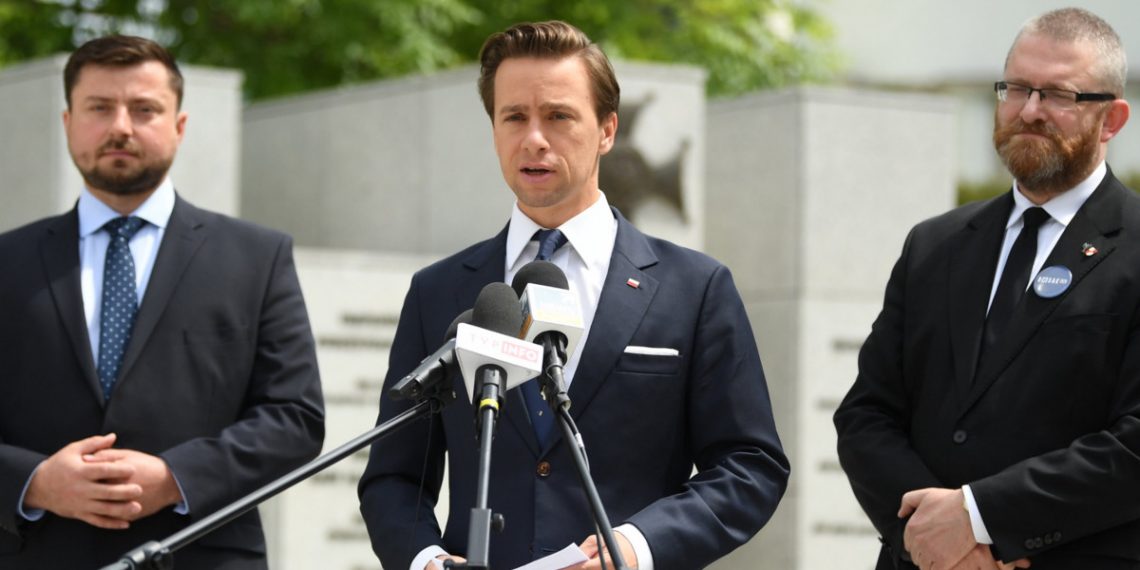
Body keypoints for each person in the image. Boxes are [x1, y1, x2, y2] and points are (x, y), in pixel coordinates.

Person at [358, 20, 788, 570]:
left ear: (607, 130)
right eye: (515, 117)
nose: (534, 138)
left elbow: (750, 465)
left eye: (558, 116)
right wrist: (426, 560)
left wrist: (637, 546)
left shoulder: (696, 288)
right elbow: (394, 477)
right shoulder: (437, 291)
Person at [0, 35, 325, 568]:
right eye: (99, 108)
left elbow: (295, 418)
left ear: (179, 125)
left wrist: (177, 478)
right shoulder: (7, 262)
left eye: (144, 109)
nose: (121, 127)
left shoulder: (256, 258)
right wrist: (33, 482)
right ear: (67, 123)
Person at [834, 7, 1140, 570]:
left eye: (1058, 95)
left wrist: (981, 518)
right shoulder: (935, 245)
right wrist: (932, 537)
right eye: (1016, 88)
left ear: (1112, 119)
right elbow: (866, 416)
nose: (1029, 110)